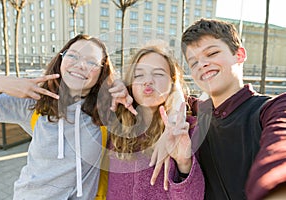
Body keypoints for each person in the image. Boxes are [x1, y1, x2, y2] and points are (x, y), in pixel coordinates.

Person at [0, 34, 117, 199]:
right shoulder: (34, 103)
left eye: (91, 62)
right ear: (61, 59)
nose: (81, 65)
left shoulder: (108, 111)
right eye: (73, 55)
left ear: (102, 71)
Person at [180, 18, 286, 199]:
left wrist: (273, 186)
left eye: (212, 53)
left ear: (239, 55)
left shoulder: (271, 109)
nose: (202, 64)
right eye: (193, 62)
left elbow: (280, 147)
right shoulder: (200, 112)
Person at [104, 43, 204, 200]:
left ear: (172, 82)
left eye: (158, 74)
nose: (148, 81)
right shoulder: (117, 127)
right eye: (139, 75)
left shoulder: (188, 130)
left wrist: (184, 164)